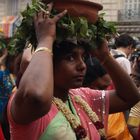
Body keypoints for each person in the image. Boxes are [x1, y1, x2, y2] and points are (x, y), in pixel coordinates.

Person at [7, 2, 140, 140]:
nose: (82, 65)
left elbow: (130, 97)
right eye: (70, 58)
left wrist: (105, 57)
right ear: (48, 62)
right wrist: (45, 39)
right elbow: (37, 96)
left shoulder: (82, 97)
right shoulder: (24, 102)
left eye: (82, 57)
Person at [83, 56, 133, 140]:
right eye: (100, 87)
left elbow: (131, 98)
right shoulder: (74, 102)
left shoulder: (111, 102)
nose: (103, 92)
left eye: (106, 87)